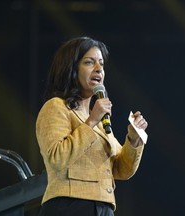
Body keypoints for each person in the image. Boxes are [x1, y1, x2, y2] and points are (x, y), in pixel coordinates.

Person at [35, 36, 148, 216]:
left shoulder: (100, 121)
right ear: (71, 69)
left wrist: (133, 139)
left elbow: (121, 169)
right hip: (70, 206)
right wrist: (91, 121)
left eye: (101, 64)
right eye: (89, 62)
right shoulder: (56, 107)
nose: (99, 69)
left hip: (103, 207)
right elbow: (57, 158)